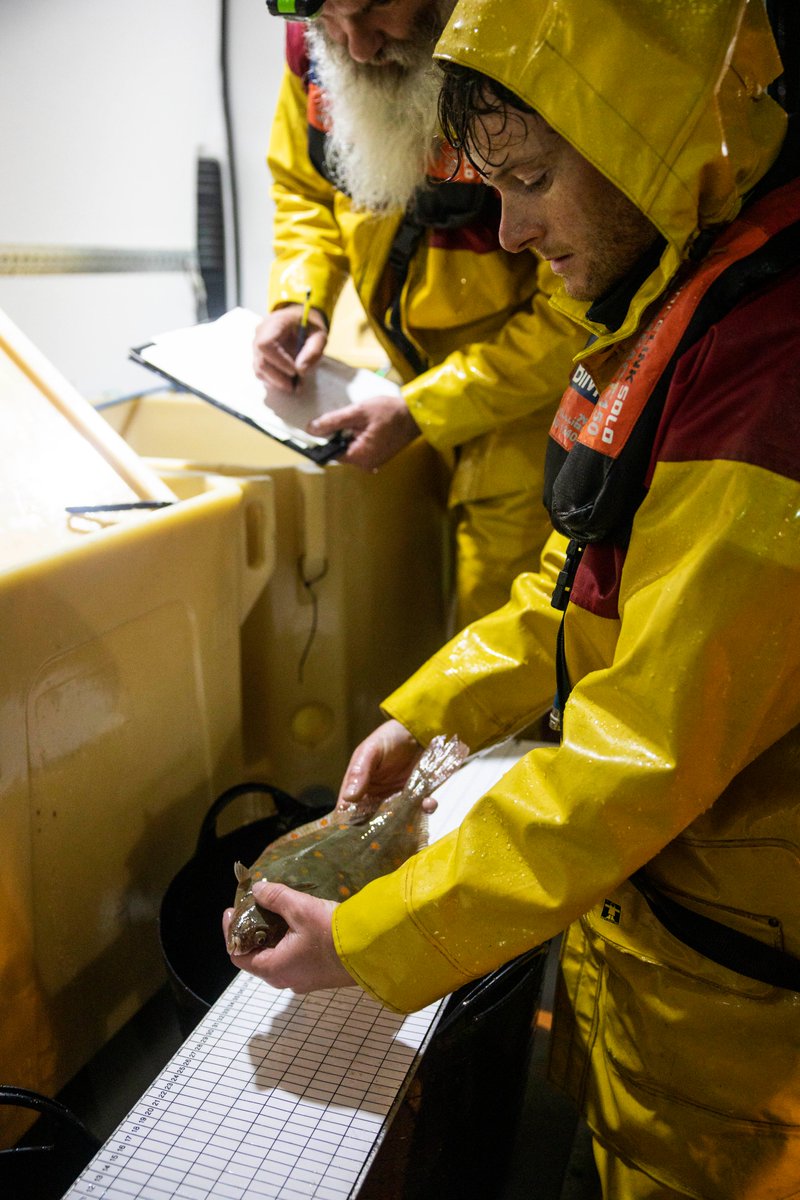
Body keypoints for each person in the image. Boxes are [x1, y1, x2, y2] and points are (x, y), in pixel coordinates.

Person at [226, 0, 800, 1195]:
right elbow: (579, 578)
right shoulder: (674, 300)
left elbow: (644, 747)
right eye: (489, 186)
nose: (512, 227)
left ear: (640, 137)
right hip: (675, 951)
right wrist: (431, 712)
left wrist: (379, 941)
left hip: (744, 1009)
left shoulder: (765, 367)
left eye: (530, 179)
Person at [254, 0, 583, 627]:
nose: (355, 47)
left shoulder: (530, 59)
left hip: (527, 413)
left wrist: (426, 408)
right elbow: (304, 187)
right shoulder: (313, 53)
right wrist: (302, 296)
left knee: (505, 628)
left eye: (373, 10)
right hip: (403, 395)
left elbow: (577, 312)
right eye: (328, 20)